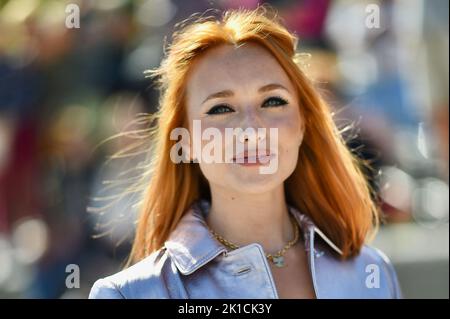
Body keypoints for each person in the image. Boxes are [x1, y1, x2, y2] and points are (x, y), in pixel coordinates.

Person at [89, 6, 402, 299]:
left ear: (303, 125)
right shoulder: (129, 294)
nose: (251, 129)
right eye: (221, 108)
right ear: (183, 142)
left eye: (273, 101)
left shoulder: (371, 273)